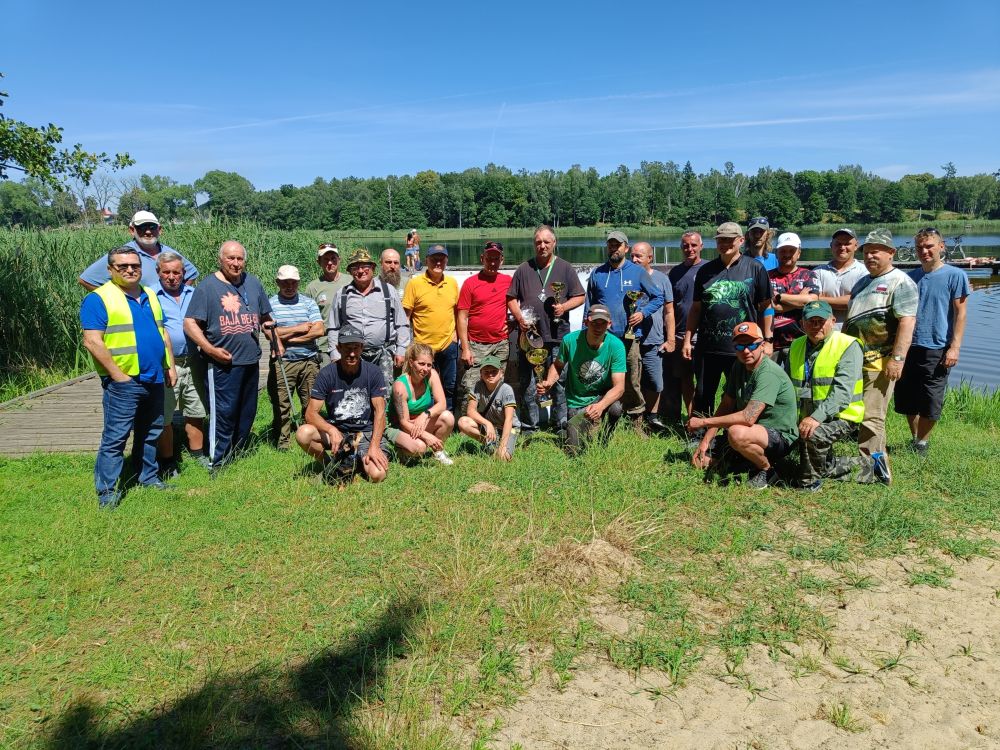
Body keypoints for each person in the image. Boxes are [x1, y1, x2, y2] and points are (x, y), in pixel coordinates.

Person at [80, 246, 177, 508]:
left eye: (135, 265)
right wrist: (117, 375)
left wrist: (169, 365)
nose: (130, 270)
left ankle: (148, 477)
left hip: (154, 377)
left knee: (150, 432)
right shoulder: (99, 299)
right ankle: (107, 492)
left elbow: (162, 332)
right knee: (115, 438)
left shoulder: (149, 294)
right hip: (125, 381)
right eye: (123, 266)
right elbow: (92, 341)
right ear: (110, 270)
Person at [183, 241, 279, 470]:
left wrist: (269, 330)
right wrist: (209, 349)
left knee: (247, 411)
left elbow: (265, 316)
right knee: (224, 413)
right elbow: (189, 323)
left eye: (239, 259)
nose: (236, 263)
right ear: (221, 259)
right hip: (222, 363)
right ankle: (219, 461)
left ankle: (237, 452)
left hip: (250, 359)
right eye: (230, 258)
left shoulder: (253, 283)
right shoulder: (207, 287)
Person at [843, 229, 918, 484]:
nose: (871, 255)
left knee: (872, 416)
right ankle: (871, 466)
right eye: (867, 250)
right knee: (861, 414)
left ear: (891, 253)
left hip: (881, 362)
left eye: (877, 250)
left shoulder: (901, 281)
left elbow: (907, 322)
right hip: (857, 361)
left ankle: (874, 472)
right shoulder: (863, 282)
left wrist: (897, 359)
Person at [687, 322, 798, 489]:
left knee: (736, 432)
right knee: (699, 461)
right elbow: (726, 405)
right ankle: (745, 461)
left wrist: (703, 422)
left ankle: (767, 470)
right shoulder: (739, 366)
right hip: (752, 432)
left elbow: (748, 417)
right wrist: (705, 441)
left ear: (762, 345)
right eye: (740, 346)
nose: (746, 351)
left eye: (752, 345)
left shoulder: (768, 372)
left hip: (779, 436)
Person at [682, 221, 773, 417]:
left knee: (740, 394)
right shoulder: (706, 271)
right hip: (708, 347)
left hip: (742, 347)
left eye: (730, 240)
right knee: (703, 393)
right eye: (721, 240)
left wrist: (767, 340)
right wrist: (688, 340)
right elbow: (696, 308)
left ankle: (731, 436)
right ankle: (699, 434)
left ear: (741, 240)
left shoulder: (755, 268)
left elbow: (766, 306)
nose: (725, 244)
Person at [893, 227, 971, 457]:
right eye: (920, 247)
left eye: (929, 246)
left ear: (941, 246)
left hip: (937, 347)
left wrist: (955, 347)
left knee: (931, 400)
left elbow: (961, 313)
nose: (924, 251)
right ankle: (916, 438)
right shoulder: (910, 277)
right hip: (909, 347)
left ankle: (922, 442)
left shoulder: (955, 275)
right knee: (907, 398)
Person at [507, 225, 586, 437]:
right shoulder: (524, 269)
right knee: (528, 383)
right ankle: (529, 426)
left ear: (554, 243)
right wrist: (519, 317)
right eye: (538, 242)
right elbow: (511, 297)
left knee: (559, 382)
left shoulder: (565, 268)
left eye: (546, 242)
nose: (542, 246)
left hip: (558, 336)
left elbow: (580, 296)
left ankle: (560, 425)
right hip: (531, 338)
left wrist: (564, 307)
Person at [585, 231, 664, 423]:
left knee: (632, 380)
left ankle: (636, 419)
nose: (614, 248)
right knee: (601, 376)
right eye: (611, 245)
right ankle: (603, 416)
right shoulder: (598, 273)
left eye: (618, 245)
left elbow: (658, 297)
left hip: (630, 337)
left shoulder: (637, 272)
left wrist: (642, 313)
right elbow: (590, 304)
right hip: (605, 338)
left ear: (625, 248)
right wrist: (586, 330)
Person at [295, 324, 390, 483]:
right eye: (347, 348)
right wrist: (331, 429)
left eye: (356, 348)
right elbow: (310, 413)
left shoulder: (373, 372)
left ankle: (359, 459)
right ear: (338, 348)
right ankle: (331, 465)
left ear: (362, 348)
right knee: (303, 433)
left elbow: (380, 412)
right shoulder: (327, 373)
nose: (352, 353)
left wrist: (374, 445)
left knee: (377, 475)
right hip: (338, 433)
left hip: (365, 433)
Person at [786, 301, 865, 490]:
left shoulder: (848, 345)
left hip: (842, 415)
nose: (816, 326)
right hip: (807, 414)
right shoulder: (795, 345)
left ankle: (809, 483)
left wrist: (815, 418)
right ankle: (871, 467)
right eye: (810, 321)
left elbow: (843, 393)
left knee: (812, 435)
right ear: (802, 323)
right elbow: (788, 386)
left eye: (820, 321)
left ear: (832, 320)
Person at [538, 304, 625, 455]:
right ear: (586, 322)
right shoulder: (570, 340)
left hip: (601, 396)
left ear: (609, 324)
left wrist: (600, 406)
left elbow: (619, 387)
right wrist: (549, 382)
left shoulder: (616, 346)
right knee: (573, 452)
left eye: (603, 323)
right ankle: (574, 428)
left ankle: (604, 441)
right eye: (594, 323)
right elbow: (558, 366)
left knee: (615, 409)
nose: (598, 327)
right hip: (577, 399)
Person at [154, 252, 208, 476]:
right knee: (165, 416)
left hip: (194, 360)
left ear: (184, 274)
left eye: (176, 272)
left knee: (196, 410)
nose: (171, 277)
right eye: (166, 272)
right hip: (168, 363)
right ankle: (167, 462)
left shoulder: (194, 293)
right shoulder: (151, 296)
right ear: (158, 273)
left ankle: (198, 454)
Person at [329, 248, 411, 389]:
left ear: (373, 268)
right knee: (355, 392)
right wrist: (334, 353)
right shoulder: (342, 294)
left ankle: (383, 412)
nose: (361, 271)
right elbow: (333, 327)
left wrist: (401, 349)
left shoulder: (388, 290)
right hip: (353, 354)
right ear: (349, 271)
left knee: (383, 392)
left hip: (383, 353)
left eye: (365, 266)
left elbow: (401, 323)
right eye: (355, 267)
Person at [267, 264, 324, 450]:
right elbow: (269, 332)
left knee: (310, 402)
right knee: (282, 403)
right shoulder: (271, 303)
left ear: (298, 282)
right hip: (284, 362)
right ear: (277, 282)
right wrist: (299, 328)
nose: (289, 286)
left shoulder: (308, 303)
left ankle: (311, 438)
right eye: (285, 282)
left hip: (309, 360)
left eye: (293, 282)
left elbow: (319, 329)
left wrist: (285, 337)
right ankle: (283, 441)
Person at [79, 210, 198, 292]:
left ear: (160, 229)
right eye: (142, 227)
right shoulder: (123, 255)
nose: (148, 232)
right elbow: (86, 279)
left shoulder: (169, 253)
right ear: (132, 230)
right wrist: (118, 300)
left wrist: (176, 294)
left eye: (152, 227)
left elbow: (192, 273)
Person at [403, 244, 460, 410]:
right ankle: (427, 419)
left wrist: (456, 337)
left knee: (450, 385)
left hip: (448, 344)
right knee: (426, 387)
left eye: (442, 259)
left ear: (446, 261)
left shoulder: (452, 283)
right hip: (423, 348)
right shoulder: (415, 283)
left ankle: (447, 418)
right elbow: (406, 317)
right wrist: (407, 344)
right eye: (434, 259)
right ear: (426, 260)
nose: (438, 262)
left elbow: (457, 313)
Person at [458, 241, 513, 406]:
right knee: (470, 387)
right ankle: (465, 426)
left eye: (496, 259)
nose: (493, 263)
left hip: (500, 344)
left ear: (502, 260)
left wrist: (514, 324)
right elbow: (462, 317)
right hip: (475, 345)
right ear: (482, 258)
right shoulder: (470, 283)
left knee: (497, 387)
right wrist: (466, 348)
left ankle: (494, 423)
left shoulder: (508, 281)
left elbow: (518, 308)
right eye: (489, 258)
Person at [660, 231, 706, 425]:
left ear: (701, 246)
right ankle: (690, 418)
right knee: (685, 379)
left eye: (694, 245)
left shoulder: (709, 269)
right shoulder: (675, 273)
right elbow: (669, 305)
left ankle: (703, 418)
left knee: (703, 382)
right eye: (686, 246)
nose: (690, 249)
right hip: (680, 334)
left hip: (703, 335)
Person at [629, 241, 674, 431]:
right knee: (632, 380)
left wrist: (670, 339)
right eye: (632, 256)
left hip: (653, 339)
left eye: (639, 256)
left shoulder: (662, 279)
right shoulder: (627, 277)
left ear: (650, 257)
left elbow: (669, 311)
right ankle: (634, 417)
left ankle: (653, 416)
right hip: (631, 339)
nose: (634, 259)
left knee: (655, 382)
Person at [388, 342, 455, 464]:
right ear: (411, 363)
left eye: (429, 365)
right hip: (398, 426)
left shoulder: (432, 375)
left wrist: (425, 415)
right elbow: (403, 423)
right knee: (420, 447)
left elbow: (442, 404)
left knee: (448, 417)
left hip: (417, 421)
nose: (425, 369)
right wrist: (426, 436)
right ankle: (399, 451)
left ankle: (437, 451)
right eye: (421, 364)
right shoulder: (400, 387)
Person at [457, 354, 520, 461]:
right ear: (481, 374)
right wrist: (488, 423)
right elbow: (470, 411)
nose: (490, 374)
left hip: (509, 428)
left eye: (494, 371)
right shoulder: (477, 386)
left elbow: (509, 420)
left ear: (501, 373)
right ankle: (490, 444)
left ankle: (500, 445)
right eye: (486, 371)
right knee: (463, 422)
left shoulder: (506, 389)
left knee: (503, 457)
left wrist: (503, 446)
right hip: (490, 427)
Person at [768, 232, 819, 358]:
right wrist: (799, 301)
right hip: (772, 342)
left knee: (798, 377)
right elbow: (770, 306)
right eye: (783, 250)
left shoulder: (808, 275)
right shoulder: (766, 276)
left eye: (792, 250)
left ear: (799, 253)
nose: (787, 254)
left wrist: (780, 297)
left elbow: (811, 301)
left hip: (802, 341)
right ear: (776, 253)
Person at [304, 242, 351, 365]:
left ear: (339, 260)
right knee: (327, 382)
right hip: (324, 346)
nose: (330, 263)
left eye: (333, 259)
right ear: (319, 262)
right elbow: (307, 320)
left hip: (350, 343)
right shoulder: (312, 287)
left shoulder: (351, 281)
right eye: (325, 259)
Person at [814, 228, 868, 327]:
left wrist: (819, 299)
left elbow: (855, 302)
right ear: (831, 246)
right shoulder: (818, 272)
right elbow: (815, 306)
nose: (842, 247)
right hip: (823, 331)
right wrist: (844, 299)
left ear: (856, 246)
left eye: (847, 244)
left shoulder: (864, 272)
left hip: (853, 332)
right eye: (838, 244)